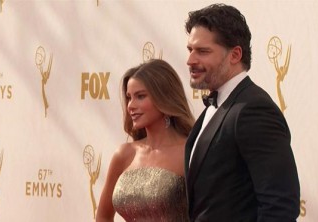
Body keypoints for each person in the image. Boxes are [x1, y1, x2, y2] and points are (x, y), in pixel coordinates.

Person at [184, 3, 300, 222]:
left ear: (235, 54)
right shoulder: (217, 106)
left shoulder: (253, 110)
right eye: (190, 50)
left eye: (202, 51)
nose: (190, 60)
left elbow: (280, 207)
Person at [96, 59, 195, 222]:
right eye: (129, 98)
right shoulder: (124, 154)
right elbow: (103, 216)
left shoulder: (190, 152)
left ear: (164, 97)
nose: (130, 106)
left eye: (140, 96)